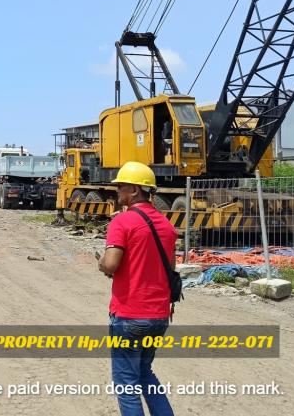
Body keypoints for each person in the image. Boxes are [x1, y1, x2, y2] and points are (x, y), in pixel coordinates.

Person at [98, 162, 178, 416]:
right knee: (145, 373)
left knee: (126, 383)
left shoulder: (123, 222)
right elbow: (169, 268)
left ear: (134, 190)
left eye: (120, 186)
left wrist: (102, 263)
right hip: (159, 315)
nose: (117, 191)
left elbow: (111, 263)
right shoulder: (166, 225)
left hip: (129, 315)